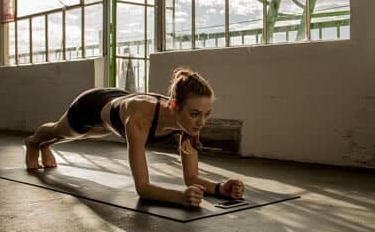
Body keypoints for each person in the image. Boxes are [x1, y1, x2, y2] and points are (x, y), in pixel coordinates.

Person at [24, 67, 245, 208]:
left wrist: (219, 187)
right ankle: (34, 143)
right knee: (63, 132)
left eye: (206, 114)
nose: (201, 123)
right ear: (175, 105)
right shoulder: (140, 119)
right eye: (195, 114)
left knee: (84, 135)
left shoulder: (188, 123)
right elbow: (143, 188)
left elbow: (192, 178)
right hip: (91, 106)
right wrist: (179, 197)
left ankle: (45, 147)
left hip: (117, 108)